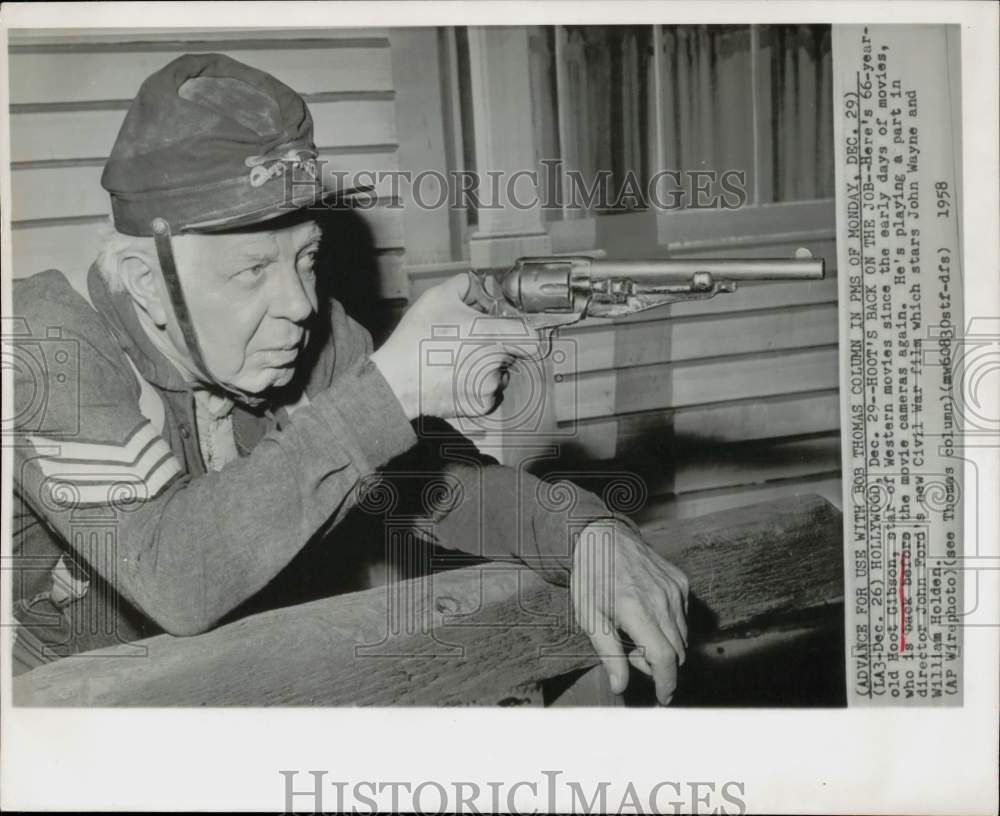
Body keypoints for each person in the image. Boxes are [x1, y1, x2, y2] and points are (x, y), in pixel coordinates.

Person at [10, 53, 689, 704]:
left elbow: (436, 488)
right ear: (145, 286)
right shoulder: (44, 345)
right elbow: (177, 578)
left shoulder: (318, 338)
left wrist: (587, 534)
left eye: (305, 257)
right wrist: (390, 390)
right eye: (251, 270)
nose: (300, 304)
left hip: (247, 685)